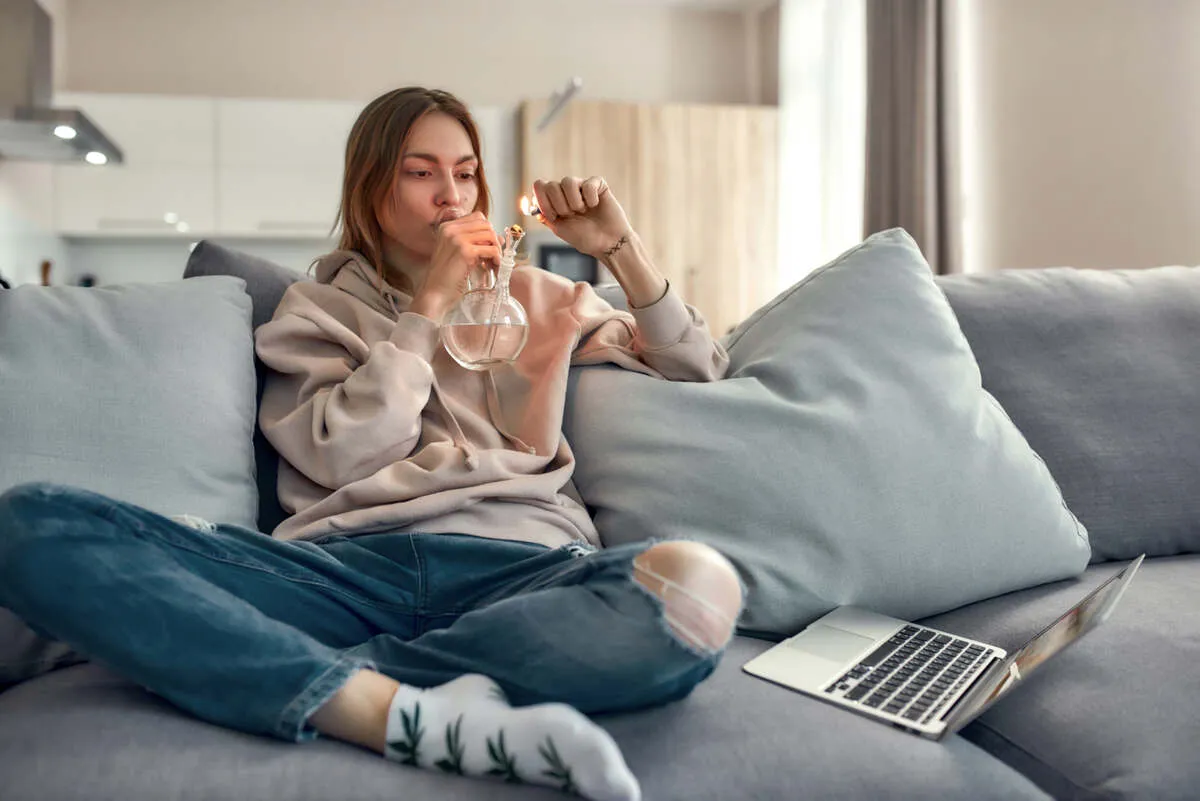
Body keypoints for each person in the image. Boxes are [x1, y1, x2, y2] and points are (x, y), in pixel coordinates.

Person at [0, 87, 743, 801]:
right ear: (369, 191)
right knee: (31, 523)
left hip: (521, 572)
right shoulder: (313, 313)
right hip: (343, 575)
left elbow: (695, 366)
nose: (450, 195)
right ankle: (399, 709)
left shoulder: (540, 299)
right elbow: (345, 453)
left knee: (698, 585)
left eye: (465, 172)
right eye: (420, 173)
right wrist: (426, 308)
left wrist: (621, 249)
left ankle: (349, 682)